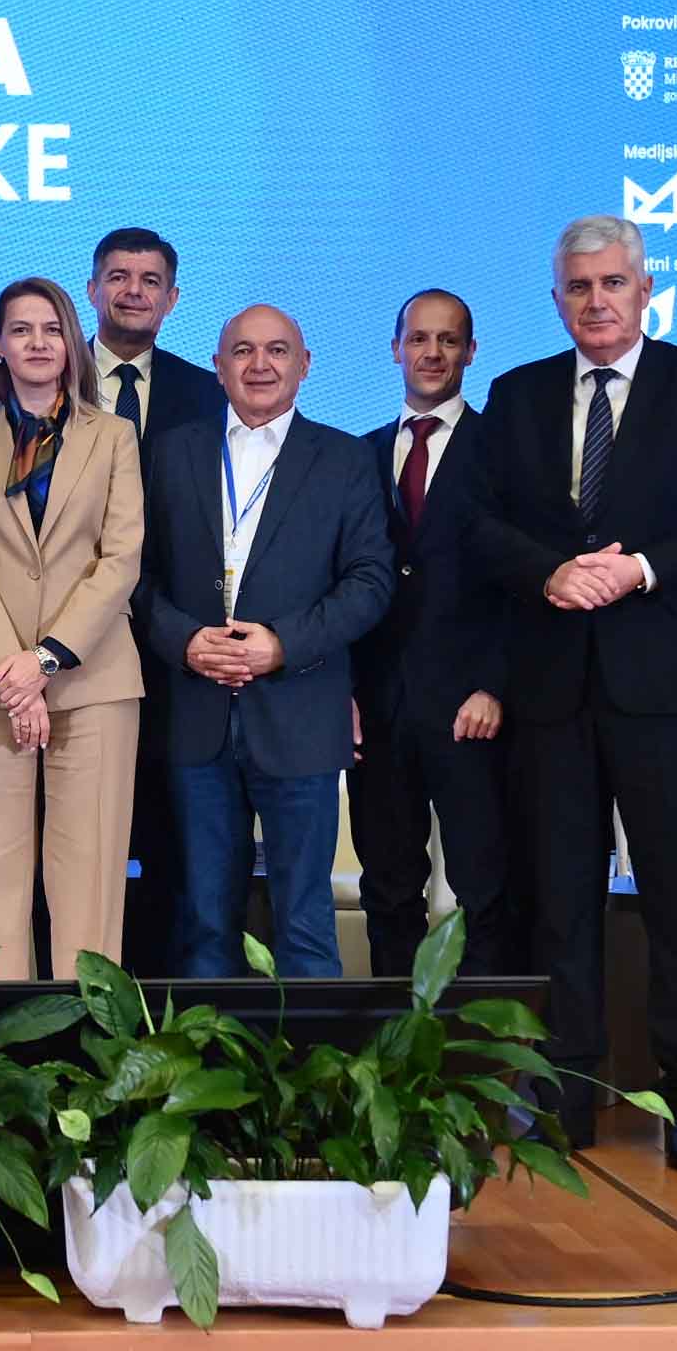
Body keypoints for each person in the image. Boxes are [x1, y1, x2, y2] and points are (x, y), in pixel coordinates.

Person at [469, 214, 677, 1169]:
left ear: (646, 291)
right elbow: (476, 524)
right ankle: (566, 1098)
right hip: (551, 692)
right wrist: (550, 573)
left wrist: (640, 567)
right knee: (560, 904)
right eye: (579, 286)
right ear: (556, 298)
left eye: (613, 283)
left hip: (662, 689)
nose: (596, 301)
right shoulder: (516, 394)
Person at [134, 305, 392, 978]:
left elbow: (370, 581)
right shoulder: (170, 452)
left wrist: (281, 645)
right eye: (243, 351)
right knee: (202, 924)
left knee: (304, 923)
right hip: (195, 718)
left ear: (305, 365)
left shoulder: (346, 458)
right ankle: (205, 1052)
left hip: (300, 716)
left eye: (277, 350)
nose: (260, 364)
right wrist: (185, 641)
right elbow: (135, 575)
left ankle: (309, 1055)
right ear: (217, 367)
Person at [0, 278, 144, 979]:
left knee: (88, 880)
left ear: (71, 344)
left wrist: (46, 660)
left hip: (93, 680)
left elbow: (121, 558)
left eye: (52, 329)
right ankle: (0, 1042)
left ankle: (89, 1039)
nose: (37, 342)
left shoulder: (114, 436)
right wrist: (13, 668)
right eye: (21, 329)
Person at [349, 290, 519, 977]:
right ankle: (395, 1035)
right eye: (418, 339)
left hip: (469, 709)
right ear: (395, 349)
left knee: (485, 888)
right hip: (379, 709)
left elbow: (525, 582)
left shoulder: (504, 451)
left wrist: (495, 685)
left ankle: (480, 1037)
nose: (432, 353)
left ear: (470, 352)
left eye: (448, 340)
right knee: (388, 889)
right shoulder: (357, 456)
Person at [84, 227, 225, 975]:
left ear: (172, 299)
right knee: (75, 846)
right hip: (70, 652)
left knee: (172, 849)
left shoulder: (208, 395)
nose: (132, 291)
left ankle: (158, 1012)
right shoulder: (51, 382)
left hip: (176, 653)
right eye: (118, 276)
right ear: (92, 290)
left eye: (149, 280)